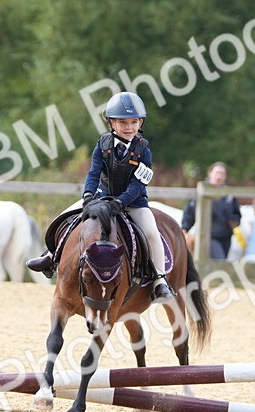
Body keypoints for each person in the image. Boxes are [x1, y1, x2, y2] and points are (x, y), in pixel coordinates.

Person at [27, 91, 174, 300]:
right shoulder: (102, 145)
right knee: (66, 217)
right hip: (102, 196)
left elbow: (137, 184)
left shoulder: (144, 150)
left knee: (151, 231)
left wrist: (120, 202)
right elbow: (94, 172)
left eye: (134, 122)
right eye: (123, 123)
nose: (129, 127)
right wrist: (88, 195)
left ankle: (160, 279)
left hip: (134, 202)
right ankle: (51, 256)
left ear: (140, 123)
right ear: (111, 123)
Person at [180, 162, 241, 260]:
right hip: (208, 236)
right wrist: (185, 228)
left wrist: (234, 220)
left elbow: (236, 213)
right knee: (219, 262)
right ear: (210, 174)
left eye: (222, 173)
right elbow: (190, 212)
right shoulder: (202, 192)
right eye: (217, 172)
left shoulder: (229, 195)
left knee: (219, 264)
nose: (219, 176)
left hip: (226, 237)